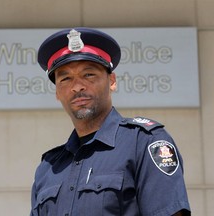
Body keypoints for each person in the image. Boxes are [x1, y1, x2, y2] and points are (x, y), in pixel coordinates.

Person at [30, 27, 191, 216]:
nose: (77, 86)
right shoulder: (49, 168)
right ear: (57, 92)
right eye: (65, 78)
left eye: (88, 75)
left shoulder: (144, 143)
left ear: (112, 81)